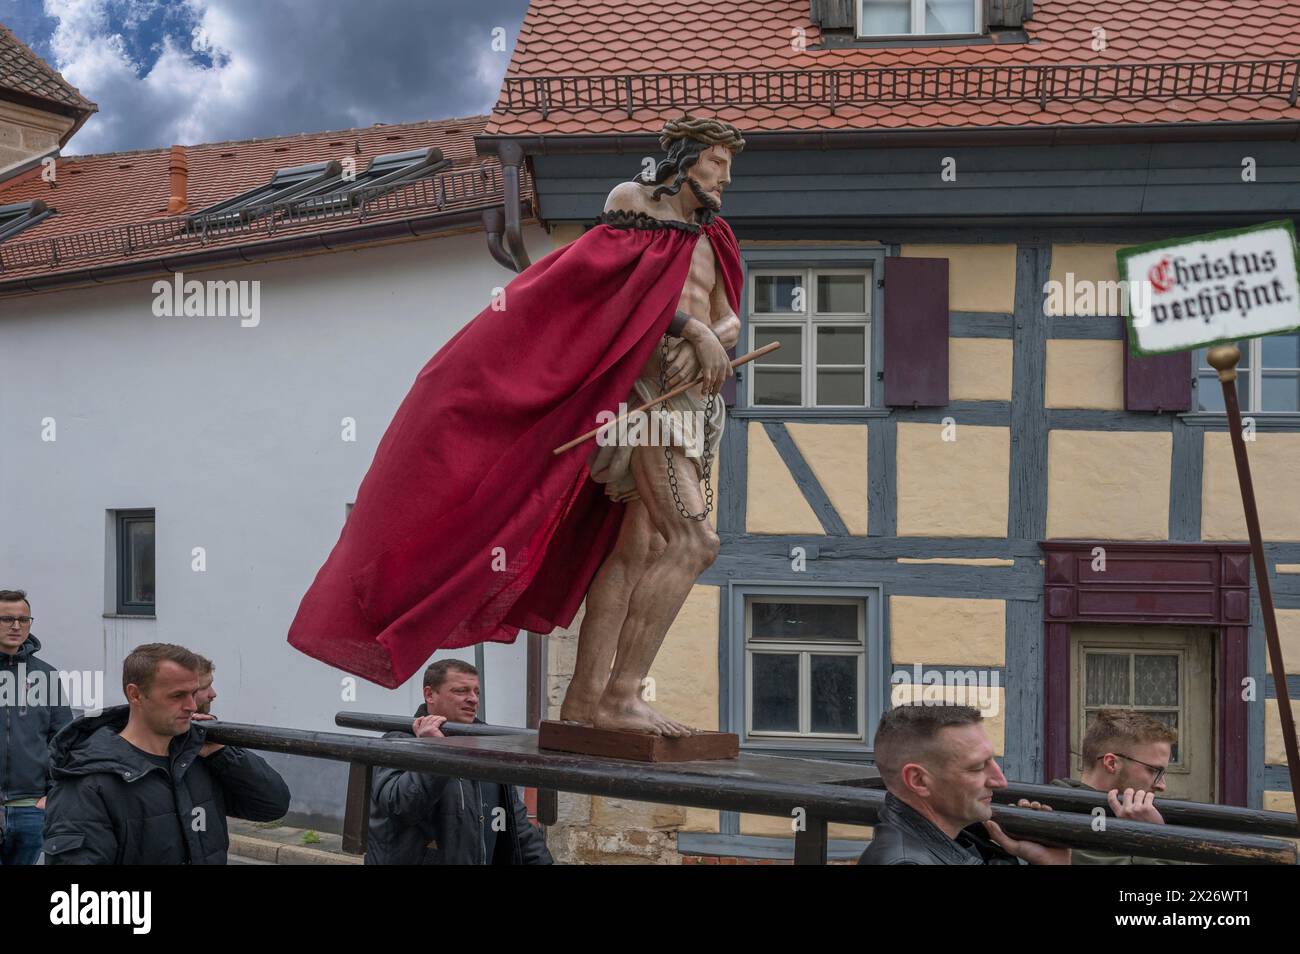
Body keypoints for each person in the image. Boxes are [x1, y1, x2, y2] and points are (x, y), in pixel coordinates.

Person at [287, 115, 746, 715]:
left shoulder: (715, 238)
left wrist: (715, 336)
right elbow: (610, 295)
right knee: (695, 541)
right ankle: (622, 695)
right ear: (685, 160)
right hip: (642, 402)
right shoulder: (635, 202)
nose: (725, 178)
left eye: (729, 167)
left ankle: (584, 701)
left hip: (690, 403)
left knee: (640, 551)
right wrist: (691, 332)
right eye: (717, 163)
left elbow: (728, 316)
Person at [42, 643, 290, 864]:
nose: (191, 706)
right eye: (177, 696)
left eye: (193, 693)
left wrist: (221, 753)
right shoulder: (89, 781)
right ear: (136, 694)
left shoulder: (199, 757)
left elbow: (271, 806)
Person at [366, 659, 552, 865]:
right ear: (429, 694)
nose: (473, 699)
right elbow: (400, 807)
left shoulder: (488, 747)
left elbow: (516, 825)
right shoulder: (398, 742)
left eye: (476, 692)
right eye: (461, 691)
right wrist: (435, 750)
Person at [859, 705, 1069, 865]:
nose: (1000, 781)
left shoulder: (965, 842)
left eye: (993, 761)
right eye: (977, 767)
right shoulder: (907, 862)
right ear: (919, 780)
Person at [1051, 708, 1185, 864]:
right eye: (1155, 770)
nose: (1162, 786)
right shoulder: (1058, 819)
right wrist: (1156, 838)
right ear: (1112, 763)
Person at [0, 589, 72, 865]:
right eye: (7, 619)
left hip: (32, 808)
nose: (16, 626)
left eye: (23, 619)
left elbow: (63, 739)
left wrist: (53, 794)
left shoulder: (46, 675)